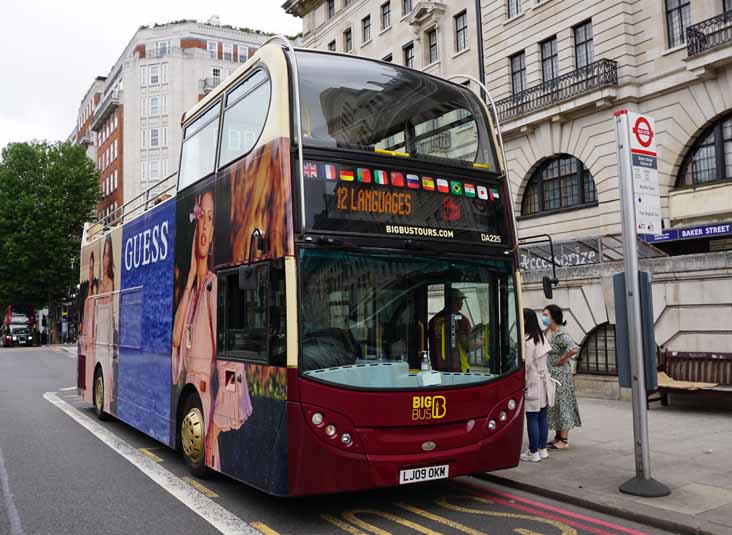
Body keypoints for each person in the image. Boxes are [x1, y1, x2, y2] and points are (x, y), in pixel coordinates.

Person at [172, 191, 252, 470]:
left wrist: (211, 435)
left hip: (207, 425)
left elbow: (232, 369)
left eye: (210, 219)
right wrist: (192, 275)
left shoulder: (216, 288)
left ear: (215, 229)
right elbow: (176, 340)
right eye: (200, 218)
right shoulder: (196, 291)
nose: (204, 227)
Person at [543, 304, 580, 450]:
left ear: (553, 317)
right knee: (555, 405)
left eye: (546, 315)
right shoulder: (547, 332)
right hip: (551, 375)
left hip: (561, 376)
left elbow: (573, 348)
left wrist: (562, 359)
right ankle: (557, 437)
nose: (544, 317)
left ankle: (564, 440)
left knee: (563, 404)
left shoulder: (561, 334)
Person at [520, 308, 553, 462]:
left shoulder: (527, 341)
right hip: (544, 380)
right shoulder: (541, 337)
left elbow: (525, 366)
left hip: (532, 381)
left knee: (532, 417)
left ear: (526, 320)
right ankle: (542, 449)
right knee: (542, 417)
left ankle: (533, 452)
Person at [428, 288, 473, 372]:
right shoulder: (462, 320)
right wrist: (481, 343)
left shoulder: (434, 320)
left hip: (438, 367)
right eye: (461, 299)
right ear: (454, 301)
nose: (462, 302)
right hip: (459, 368)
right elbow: (467, 345)